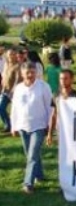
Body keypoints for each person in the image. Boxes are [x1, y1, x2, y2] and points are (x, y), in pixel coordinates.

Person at [10, 62, 53, 193]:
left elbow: (50, 107)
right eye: (27, 73)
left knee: (32, 155)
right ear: (22, 74)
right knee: (30, 152)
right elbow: (15, 108)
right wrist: (14, 125)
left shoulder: (43, 87)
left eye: (32, 72)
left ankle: (28, 183)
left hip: (39, 125)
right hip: (23, 125)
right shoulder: (18, 88)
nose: (30, 75)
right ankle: (39, 175)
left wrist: (49, 126)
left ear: (36, 73)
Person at [46, 69, 76, 146]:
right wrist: (50, 133)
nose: (63, 81)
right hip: (60, 130)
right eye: (61, 78)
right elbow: (54, 115)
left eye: (66, 78)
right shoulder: (56, 95)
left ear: (72, 79)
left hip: (74, 130)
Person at [0, 48, 22, 133]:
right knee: (1, 108)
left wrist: (13, 90)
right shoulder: (6, 64)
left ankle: (18, 126)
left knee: (17, 111)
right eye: (9, 54)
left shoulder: (18, 65)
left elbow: (17, 79)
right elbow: (3, 76)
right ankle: (8, 125)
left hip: (14, 92)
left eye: (13, 54)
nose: (11, 56)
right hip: (5, 90)